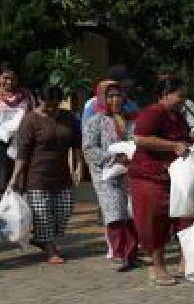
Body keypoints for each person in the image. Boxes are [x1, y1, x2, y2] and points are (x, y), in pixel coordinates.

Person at [129, 76, 194, 285]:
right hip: (150, 176)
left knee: (183, 217)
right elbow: (140, 138)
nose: (183, 100)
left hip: (174, 176)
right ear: (165, 95)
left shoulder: (177, 115)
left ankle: (187, 260)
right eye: (180, 96)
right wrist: (172, 146)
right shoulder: (153, 112)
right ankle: (157, 266)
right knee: (153, 222)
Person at [7, 86, 82, 264]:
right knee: (42, 214)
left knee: (63, 211)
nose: (51, 109)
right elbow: (22, 153)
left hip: (62, 175)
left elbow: (77, 145)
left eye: (55, 105)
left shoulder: (69, 118)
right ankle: (50, 249)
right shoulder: (30, 120)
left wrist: (78, 167)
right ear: (39, 101)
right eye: (47, 105)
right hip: (36, 176)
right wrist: (14, 178)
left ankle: (42, 238)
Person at [82, 81, 138, 271]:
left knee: (131, 212)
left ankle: (131, 254)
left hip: (129, 171)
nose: (115, 100)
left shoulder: (131, 119)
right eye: (110, 96)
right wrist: (112, 157)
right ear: (102, 98)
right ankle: (118, 254)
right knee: (114, 213)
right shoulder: (95, 121)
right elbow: (89, 149)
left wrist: (130, 156)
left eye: (118, 95)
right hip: (106, 174)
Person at [0, 62, 35, 192]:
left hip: (21, 142)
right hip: (1, 144)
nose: (9, 82)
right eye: (5, 78)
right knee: (2, 181)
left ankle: (16, 210)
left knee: (19, 182)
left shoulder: (26, 95)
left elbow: (33, 115)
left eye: (13, 78)